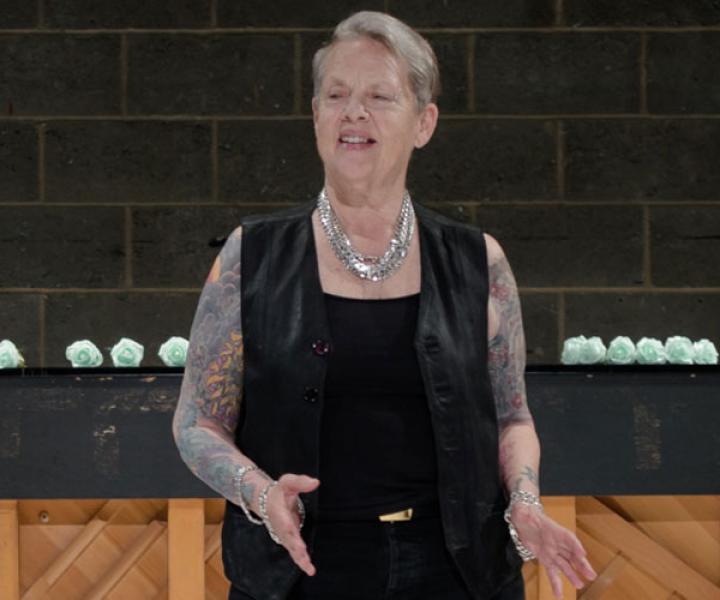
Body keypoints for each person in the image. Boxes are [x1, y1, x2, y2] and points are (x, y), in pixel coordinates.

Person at [173, 10, 596, 600]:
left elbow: (511, 416)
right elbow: (196, 423)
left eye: (379, 96)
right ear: (315, 115)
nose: (354, 112)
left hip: (459, 574)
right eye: (336, 94)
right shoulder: (252, 256)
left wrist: (523, 501)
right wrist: (259, 492)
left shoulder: (480, 262)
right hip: (303, 572)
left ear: (424, 123)